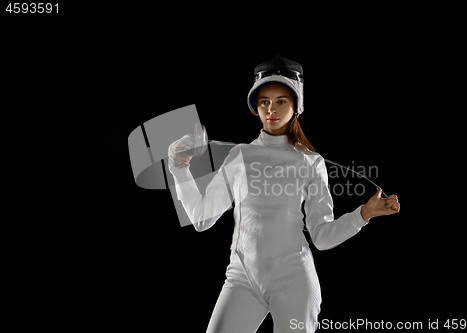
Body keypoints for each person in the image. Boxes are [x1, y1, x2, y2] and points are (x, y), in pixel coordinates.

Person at [168, 55, 400, 333]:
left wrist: (364, 214)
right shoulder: (240, 155)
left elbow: (322, 237)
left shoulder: (310, 161)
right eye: (264, 101)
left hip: (294, 279)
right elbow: (202, 219)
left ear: (296, 106)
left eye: (281, 101)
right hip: (242, 277)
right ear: (256, 106)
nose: (271, 109)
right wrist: (179, 169)